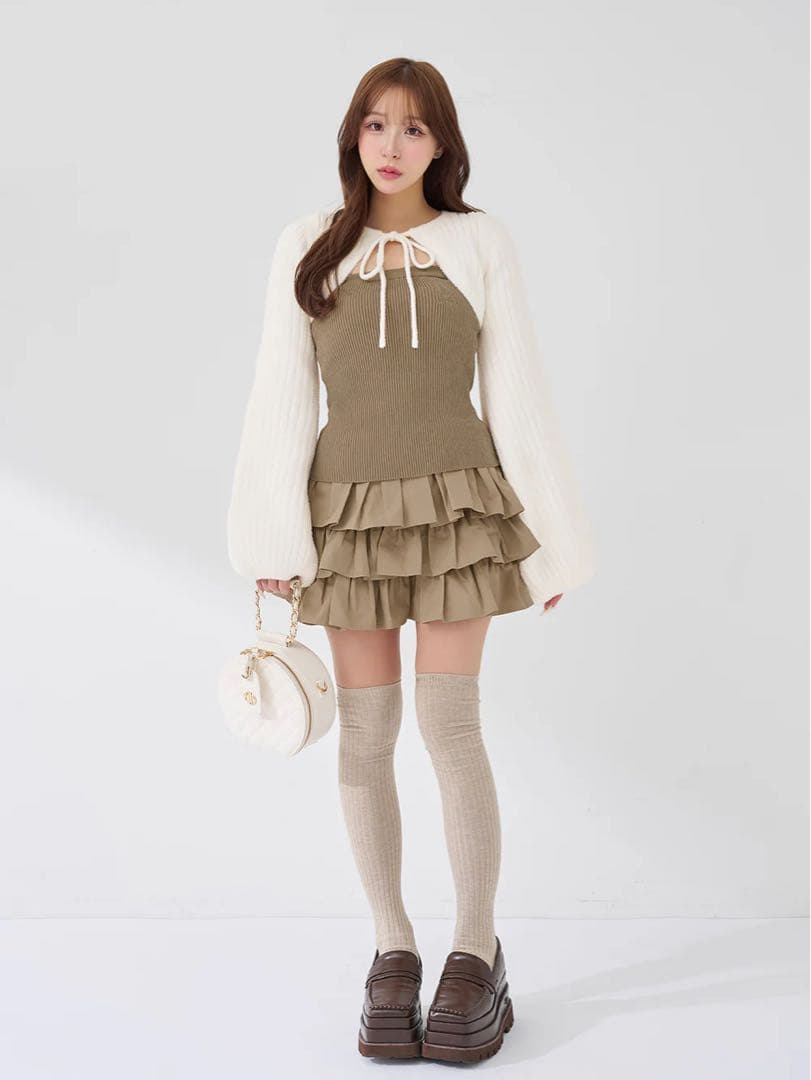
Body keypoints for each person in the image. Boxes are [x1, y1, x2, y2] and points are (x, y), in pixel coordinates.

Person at [226, 57, 597, 1063]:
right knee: (365, 734)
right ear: (353, 134)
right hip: (344, 516)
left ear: (442, 145)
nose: (391, 145)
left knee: (449, 724)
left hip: (455, 506)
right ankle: (392, 950)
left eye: (414, 128)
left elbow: (516, 390)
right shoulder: (309, 244)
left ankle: (474, 951)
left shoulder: (479, 242)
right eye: (375, 123)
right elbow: (279, 393)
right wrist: (270, 538)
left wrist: (554, 538)